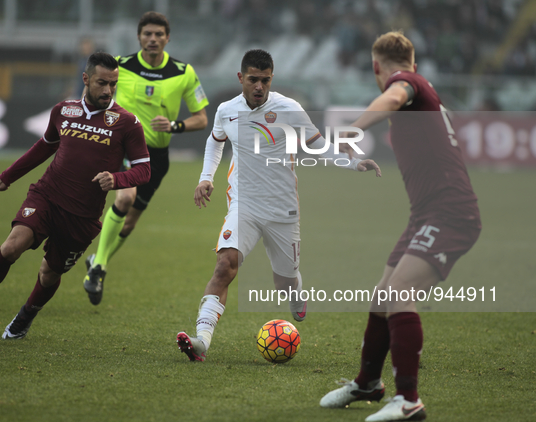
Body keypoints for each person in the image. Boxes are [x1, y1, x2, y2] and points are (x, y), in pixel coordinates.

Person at [176, 49, 381, 362]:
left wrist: (352, 163)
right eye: (254, 79)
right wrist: (206, 177)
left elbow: (316, 144)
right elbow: (215, 140)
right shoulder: (226, 110)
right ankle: (201, 340)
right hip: (244, 205)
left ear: (272, 79)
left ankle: (295, 290)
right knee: (224, 266)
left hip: (283, 210)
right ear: (240, 78)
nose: (259, 86)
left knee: (283, 282)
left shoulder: (289, 108)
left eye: (266, 80)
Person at [319, 32, 481, 421]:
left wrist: (352, 128)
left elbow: (393, 97)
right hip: (426, 213)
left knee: (399, 294)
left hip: (449, 212)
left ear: (377, 67)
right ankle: (368, 384)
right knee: (382, 296)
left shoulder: (404, 85)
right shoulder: (421, 86)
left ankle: (408, 400)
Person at [0, 53, 151, 339]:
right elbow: (44, 147)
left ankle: (27, 314)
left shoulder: (127, 123)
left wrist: (117, 179)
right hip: (47, 195)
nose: (108, 90)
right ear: (86, 79)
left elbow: (144, 171)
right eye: (102, 83)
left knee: (49, 273)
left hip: (82, 215)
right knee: (11, 247)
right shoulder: (63, 111)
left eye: (113, 84)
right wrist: (7, 177)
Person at [83, 11, 209, 305]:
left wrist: (175, 126)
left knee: (128, 224)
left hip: (156, 156)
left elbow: (201, 118)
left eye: (158, 34)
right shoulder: (120, 66)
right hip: (121, 147)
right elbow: (92, 97)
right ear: (139, 36)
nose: (153, 39)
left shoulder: (183, 72)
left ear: (167, 38)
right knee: (124, 199)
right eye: (147, 34)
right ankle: (99, 268)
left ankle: (96, 261)